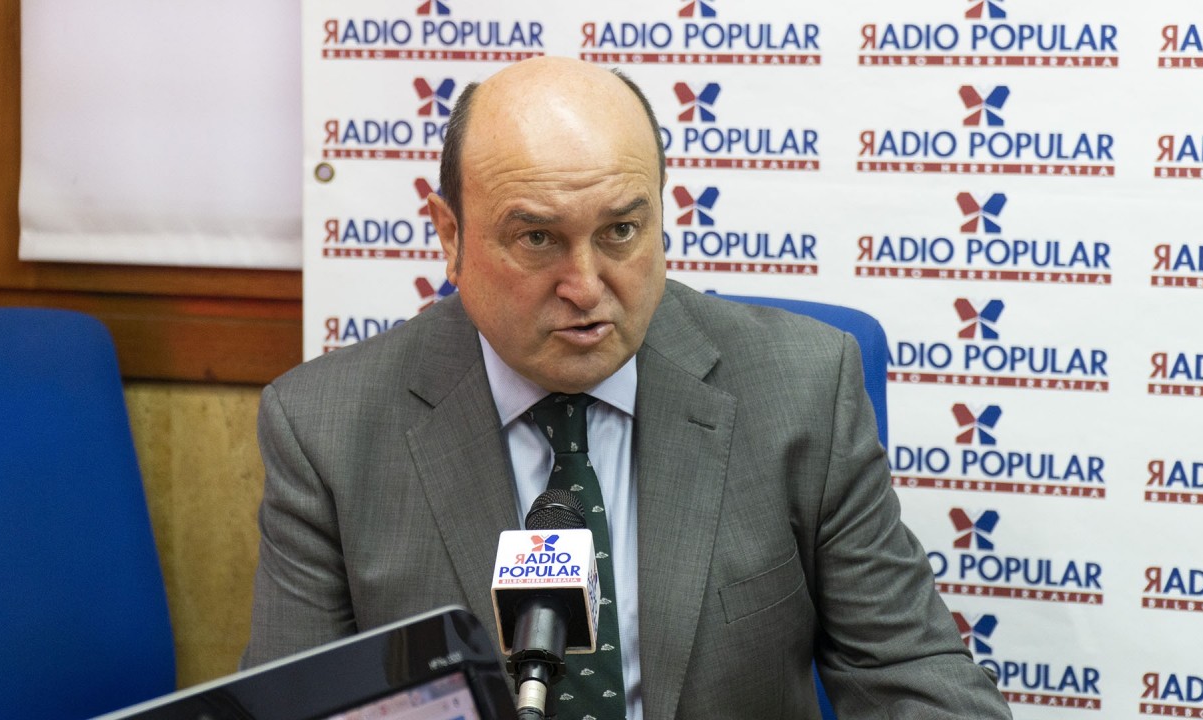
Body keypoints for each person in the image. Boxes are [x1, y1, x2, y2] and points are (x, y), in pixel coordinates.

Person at [243, 56, 1012, 719]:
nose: (585, 287)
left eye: (620, 231)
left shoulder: (801, 390)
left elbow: (910, 674)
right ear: (451, 235)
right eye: (537, 237)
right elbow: (294, 704)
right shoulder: (327, 431)